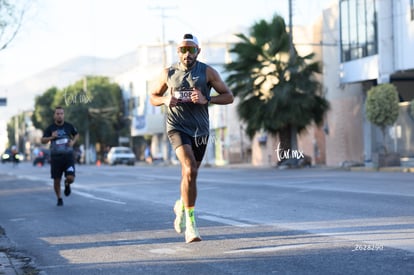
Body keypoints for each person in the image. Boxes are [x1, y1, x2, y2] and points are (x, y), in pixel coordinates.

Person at [150, 33, 234, 243]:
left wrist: (207, 99)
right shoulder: (168, 73)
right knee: (189, 169)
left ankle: (181, 204)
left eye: (191, 49)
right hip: (177, 127)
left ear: (198, 51)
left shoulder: (207, 72)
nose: (187, 54)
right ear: (178, 51)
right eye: (183, 50)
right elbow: (153, 97)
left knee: (191, 175)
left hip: (200, 130)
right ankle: (191, 225)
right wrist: (165, 99)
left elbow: (229, 96)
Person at [41, 106, 79, 206]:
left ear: (63, 115)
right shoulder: (50, 128)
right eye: (57, 114)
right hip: (56, 158)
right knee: (56, 180)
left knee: (71, 177)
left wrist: (73, 142)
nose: (59, 116)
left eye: (61, 114)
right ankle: (59, 198)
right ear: (55, 115)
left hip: (68, 157)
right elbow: (42, 140)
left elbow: (76, 134)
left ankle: (67, 183)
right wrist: (51, 137)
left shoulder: (68, 126)